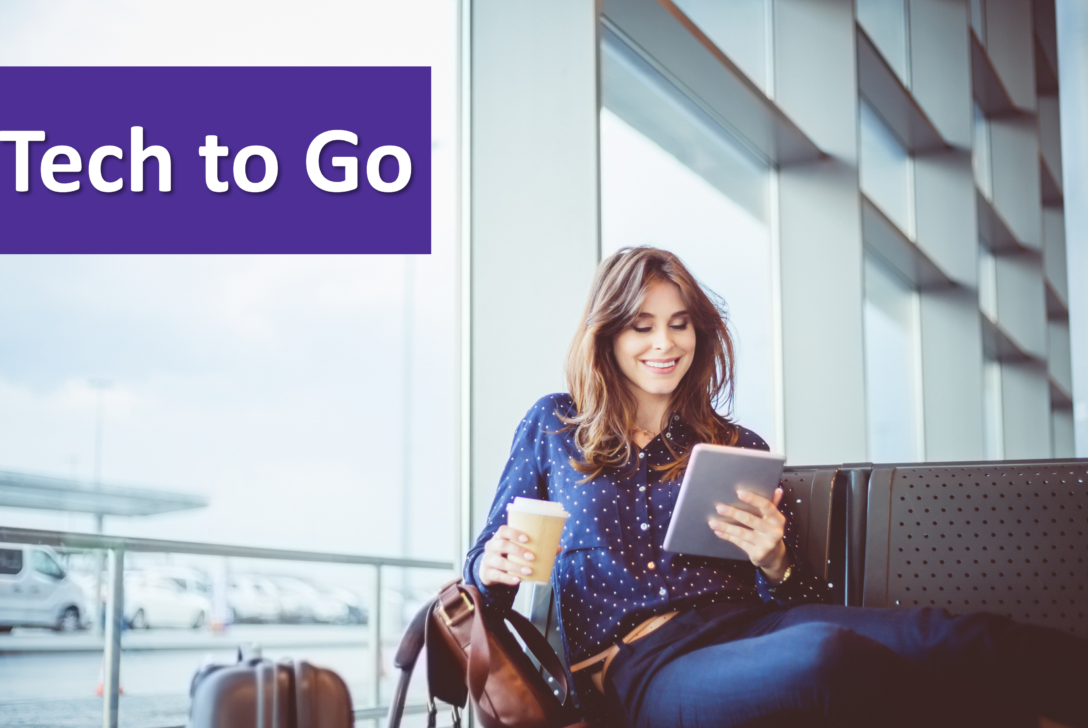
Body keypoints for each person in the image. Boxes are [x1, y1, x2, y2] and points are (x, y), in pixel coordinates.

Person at [463, 246, 1087, 728]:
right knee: (824, 656)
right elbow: (482, 574)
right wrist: (493, 565)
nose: (664, 343)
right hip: (638, 667)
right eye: (641, 326)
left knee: (956, 635)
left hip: (748, 628)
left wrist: (775, 559)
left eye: (680, 325)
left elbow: (792, 599)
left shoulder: (735, 446)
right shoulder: (554, 424)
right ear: (608, 335)